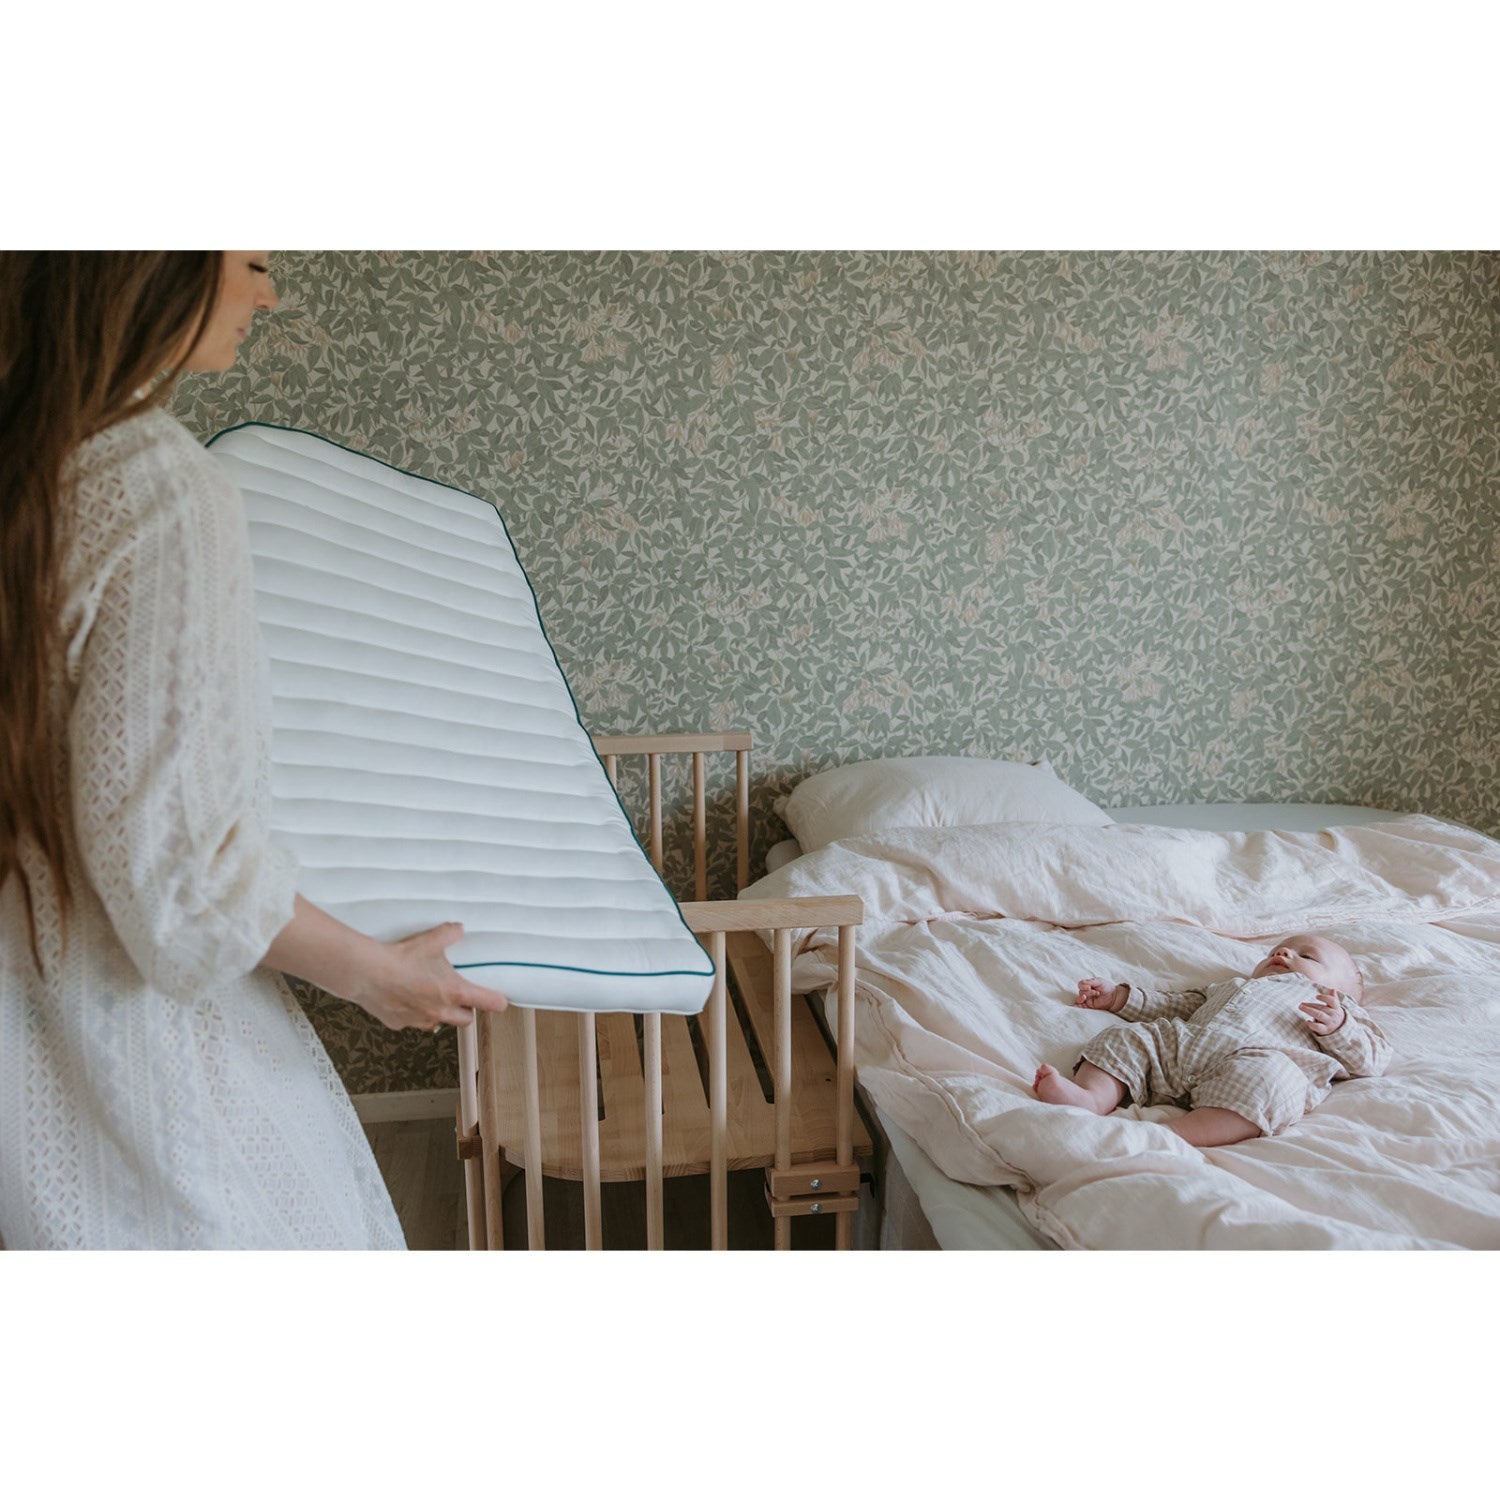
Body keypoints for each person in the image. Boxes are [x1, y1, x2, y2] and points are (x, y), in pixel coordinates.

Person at [0, 252, 509, 1249]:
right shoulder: (156, 491)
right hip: (113, 1060)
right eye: (254, 261)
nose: (268, 295)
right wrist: (372, 973)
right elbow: (179, 885)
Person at [1032, 933, 1390, 1147]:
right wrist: (1119, 998)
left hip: (1254, 1063)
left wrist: (1341, 1027)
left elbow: (1371, 1059)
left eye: (1307, 956)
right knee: (1130, 1037)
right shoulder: (1233, 986)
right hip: (1186, 1047)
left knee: (1275, 1082)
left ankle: (1175, 1135)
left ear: (1341, 989)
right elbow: (1177, 1004)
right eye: (1275, 951)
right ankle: (1091, 1097)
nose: (1282, 954)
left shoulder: (1335, 1006)